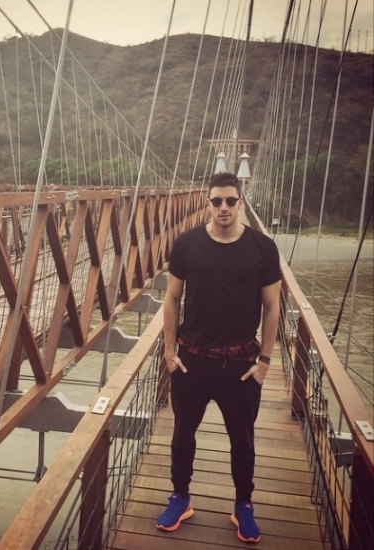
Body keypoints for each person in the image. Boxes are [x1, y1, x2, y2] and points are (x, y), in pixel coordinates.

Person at [156, 172, 281, 543]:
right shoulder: (186, 244)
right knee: (183, 435)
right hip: (192, 360)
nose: (223, 207)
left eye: (230, 200)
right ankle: (180, 497)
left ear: (240, 202)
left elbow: (272, 306)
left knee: (242, 440)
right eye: (216, 201)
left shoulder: (263, 248)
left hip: (240, 364)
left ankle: (243, 505)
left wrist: (265, 361)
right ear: (207, 203)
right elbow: (171, 298)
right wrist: (168, 351)